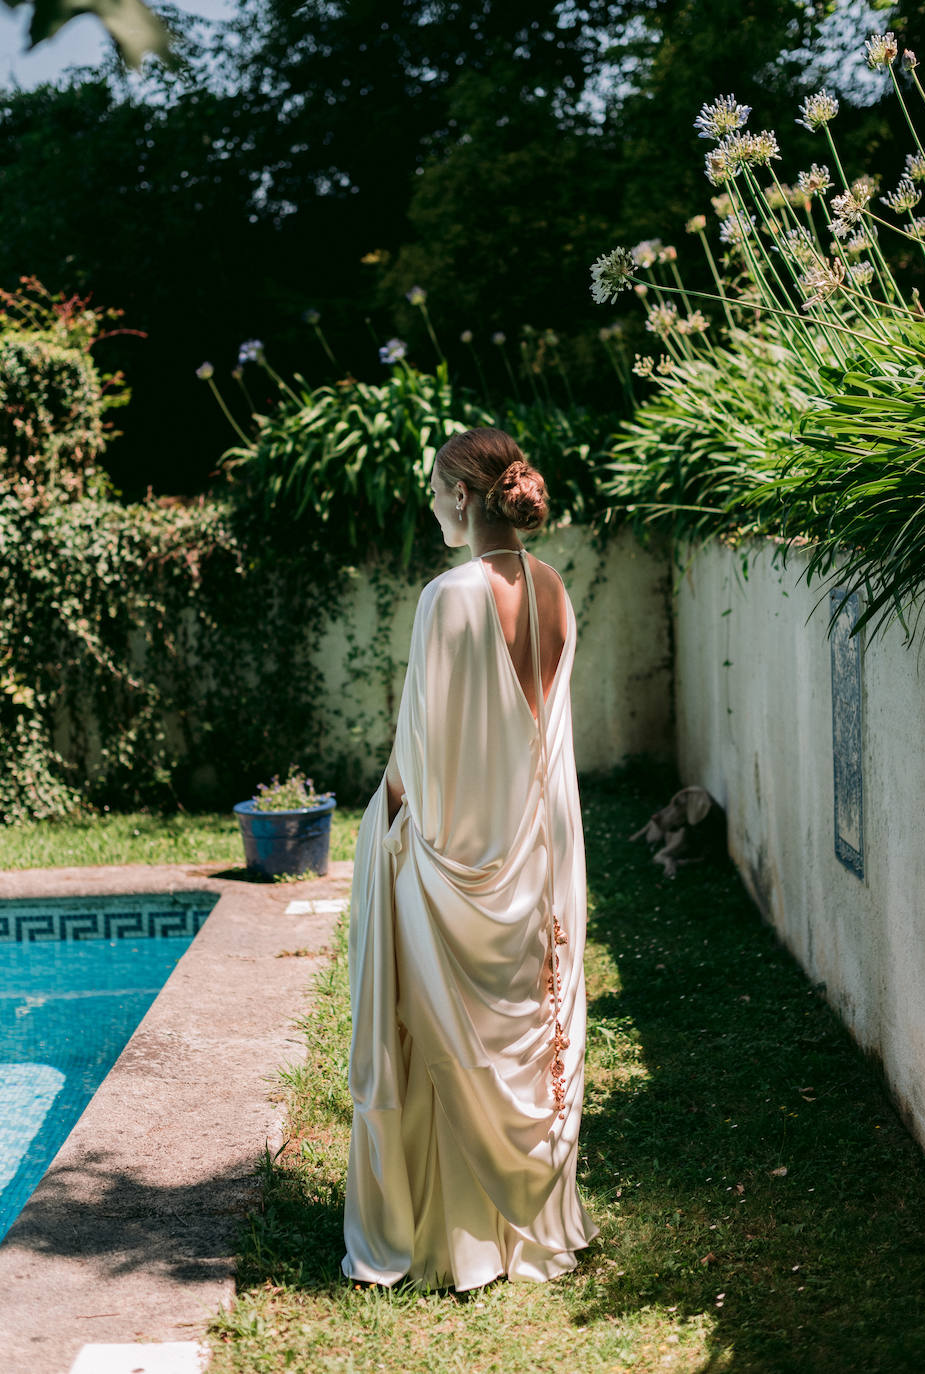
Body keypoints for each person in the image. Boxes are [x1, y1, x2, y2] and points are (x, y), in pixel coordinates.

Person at [342, 426, 596, 1291]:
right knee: (524, 1030)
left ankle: (447, 1233)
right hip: (537, 851)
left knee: (436, 1034)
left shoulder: (447, 596)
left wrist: (384, 833)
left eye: (430, 487)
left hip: (456, 859)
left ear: (460, 494)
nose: (426, 502)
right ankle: (520, 1222)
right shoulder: (556, 589)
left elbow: (416, 758)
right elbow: (540, 739)